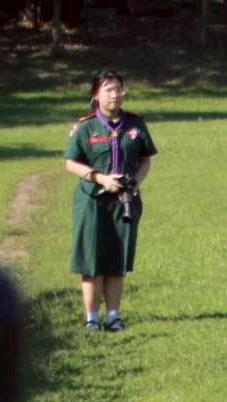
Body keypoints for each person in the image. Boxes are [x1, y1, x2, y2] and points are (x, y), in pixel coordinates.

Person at [63, 69, 157, 330]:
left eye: (118, 89)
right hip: (92, 200)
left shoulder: (135, 124)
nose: (115, 94)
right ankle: (92, 318)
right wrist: (101, 178)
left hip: (124, 200)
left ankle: (113, 317)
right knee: (92, 260)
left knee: (117, 259)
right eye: (109, 89)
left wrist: (135, 182)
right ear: (96, 94)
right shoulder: (86, 126)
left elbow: (145, 159)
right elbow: (71, 163)